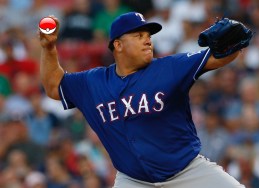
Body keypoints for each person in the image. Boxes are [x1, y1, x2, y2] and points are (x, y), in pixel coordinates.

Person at [39, 12, 247, 188]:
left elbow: (219, 57)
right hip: (133, 180)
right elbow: (53, 86)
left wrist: (232, 45)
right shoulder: (93, 83)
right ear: (118, 45)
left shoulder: (169, 67)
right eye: (139, 35)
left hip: (188, 172)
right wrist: (49, 49)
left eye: (148, 36)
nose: (148, 40)